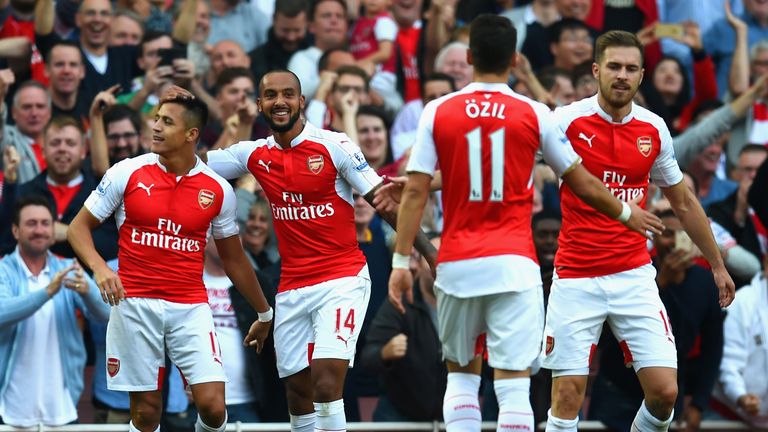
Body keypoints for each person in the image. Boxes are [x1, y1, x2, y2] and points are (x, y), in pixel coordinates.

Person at [387, 15, 664, 432]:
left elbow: (415, 191)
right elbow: (582, 181)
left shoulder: (438, 110)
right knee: (514, 386)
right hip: (515, 264)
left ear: (467, 56)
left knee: (462, 378)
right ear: (515, 58)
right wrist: (627, 213)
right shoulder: (535, 113)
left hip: (458, 261)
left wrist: (399, 262)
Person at [205, 69, 435, 432]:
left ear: (301, 101)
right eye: (270, 95)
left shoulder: (335, 145)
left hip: (342, 278)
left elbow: (387, 204)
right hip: (292, 288)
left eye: (287, 94)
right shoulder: (252, 154)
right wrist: (207, 119)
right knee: (297, 395)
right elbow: (195, 164)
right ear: (261, 104)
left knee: (326, 384)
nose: (279, 101)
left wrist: (432, 255)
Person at [543, 30, 735, 432]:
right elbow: (506, 155)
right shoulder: (566, 120)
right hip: (577, 275)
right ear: (596, 70)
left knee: (666, 394)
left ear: (642, 75)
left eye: (631, 68)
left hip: (634, 275)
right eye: (614, 66)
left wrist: (716, 264)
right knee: (566, 397)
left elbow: (683, 202)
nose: (622, 76)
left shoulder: (654, 129)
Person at [66, 86, 273, 432]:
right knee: (146, 413)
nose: (156, 128)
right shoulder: (127, 172)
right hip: (135, 304)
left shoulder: (218, 189)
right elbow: (77, 229)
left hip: (189, 306)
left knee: (213, 407)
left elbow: (235, 259)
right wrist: (101, 268)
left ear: (192, 134)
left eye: (167, 122)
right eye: (156, 119)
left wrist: (264, 312)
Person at [0, 195, 110, 427]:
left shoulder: (67, 269)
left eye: (45, 223)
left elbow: (107, 315)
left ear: (53, 230)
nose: (39, 230)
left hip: (61, 406)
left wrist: (88, 292)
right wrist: (47, 292)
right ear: (15, 231)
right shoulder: (4, 270)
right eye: (31, 224)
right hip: (10, 407)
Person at [361, 235, 446, 422]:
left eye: (445, 259)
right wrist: (385, 352)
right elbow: (367, 357)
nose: (438, 266)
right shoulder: (400, 302)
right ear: (418, 263)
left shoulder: (465, 306)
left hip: (450, 414)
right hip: (400, 413)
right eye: (431, 257)